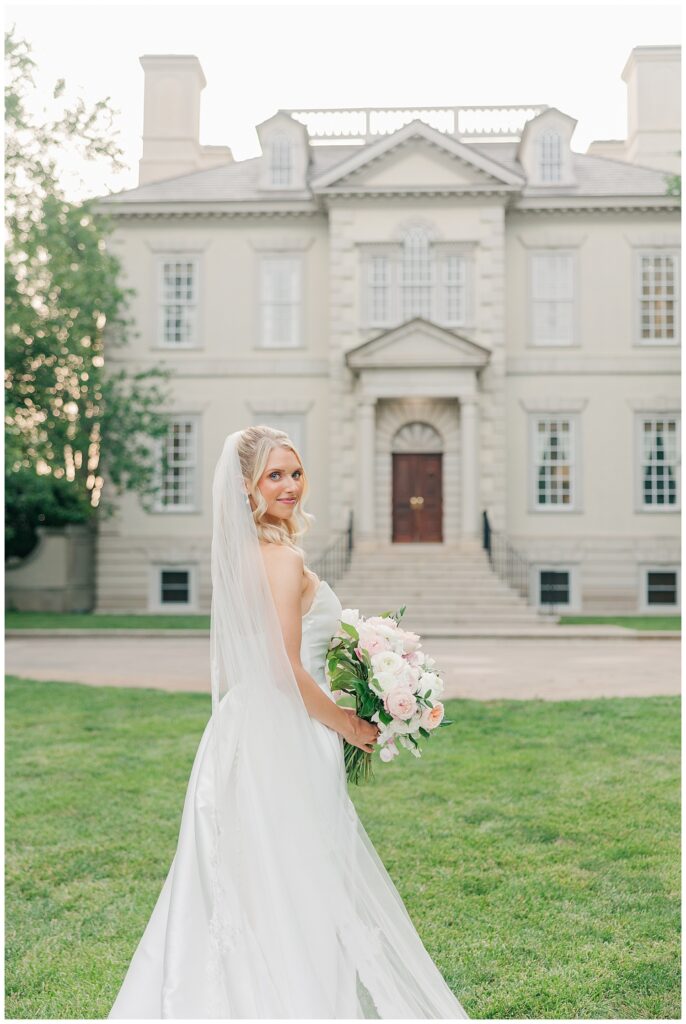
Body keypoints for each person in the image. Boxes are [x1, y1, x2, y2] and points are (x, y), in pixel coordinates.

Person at [108, 425, 470, 1019]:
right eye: (274, 475)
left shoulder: (247, 553)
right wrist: (349, 725)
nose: (290, 486)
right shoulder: (281, 559)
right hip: (288, 731)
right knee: (301, 880)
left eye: (295, 473)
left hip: (245, 728)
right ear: (247, 485)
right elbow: (284, 667)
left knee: (255, 877)